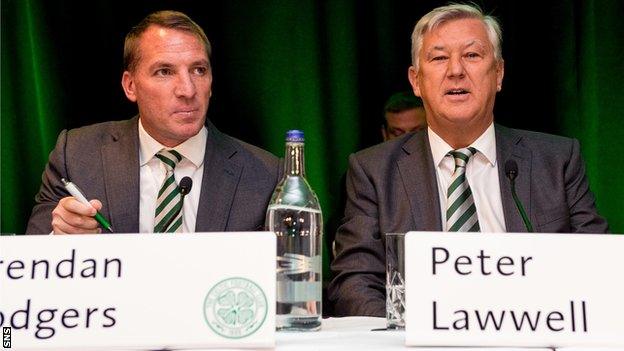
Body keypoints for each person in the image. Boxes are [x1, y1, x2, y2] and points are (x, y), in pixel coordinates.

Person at [329, 4, 609, 317]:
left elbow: (595, 270)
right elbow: (354, 282)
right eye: (438, 57)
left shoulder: (556, 161)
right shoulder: (374, 171)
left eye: (472, 55)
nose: (456, 70)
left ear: (499, 73)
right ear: (416, 80)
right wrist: (411, 336)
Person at [26, 11, 280, 234]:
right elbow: (31, 266)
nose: (188, 90)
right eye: (165, 72)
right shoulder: (77, 156)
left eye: (198, 70)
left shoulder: (266, 175)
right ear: (130, 86)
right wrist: (59, 238)